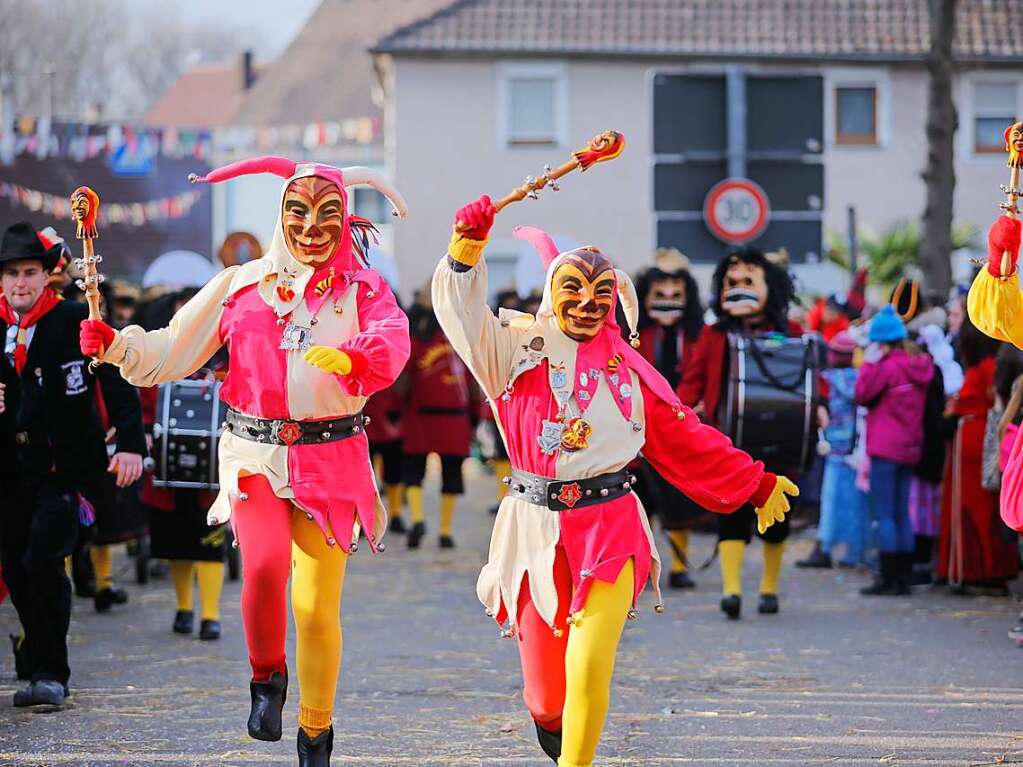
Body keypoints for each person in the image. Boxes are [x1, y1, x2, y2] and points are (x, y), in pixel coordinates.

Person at [433, 195, 797, 767]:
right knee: (546, 695)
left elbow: (686, 438)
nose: (587, 303)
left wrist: (756, 483)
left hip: (610, 526)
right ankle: (555, 725)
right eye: (573, 289)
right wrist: (465, 251)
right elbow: (461, 314)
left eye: (602, 293)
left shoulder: (630, 372)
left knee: (591, 661)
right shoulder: (512, 350)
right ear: (553, 294)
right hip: (533, 529)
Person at [80, 156, 410, 766]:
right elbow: (170, 350)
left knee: (315, 607)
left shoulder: (363, 289)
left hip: (332, 457)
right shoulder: (241, 284)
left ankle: (317, 733)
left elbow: (392, 338)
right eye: (298, 212)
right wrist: (118, 344)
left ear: (345, 218)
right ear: (280, 216)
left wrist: (359, 358)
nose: (312, 226)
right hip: (255, 454)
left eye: (327, 213)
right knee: (261, 569)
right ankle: (267, 677)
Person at [0, 221, 144, 707]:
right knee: (15, 568)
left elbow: (119, 381)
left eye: (29, 273)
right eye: (11, 275)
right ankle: (35, 646)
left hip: (63, 468)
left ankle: (51, 672)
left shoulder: (75, 321)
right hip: (7, 470)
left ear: (46, 276)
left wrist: (130, 444)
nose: (20, 283)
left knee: (44, 560)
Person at [677, 248, 802, 618]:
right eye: (732, 282)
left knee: (779, 513)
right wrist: (677, 415)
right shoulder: (714, 335)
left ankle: (769, 588)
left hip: (782, 437)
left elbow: (810, 378)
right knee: (730, 510)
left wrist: (820, 408)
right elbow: (693, 381)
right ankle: (731, 591)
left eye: (749, 281)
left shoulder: (790, 332)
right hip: (729, 438)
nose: (738, 288)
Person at [631, 247, 705, 588]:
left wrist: (681, 410)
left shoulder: (698, 337)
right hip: (635, 428)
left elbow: (698, 377)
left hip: (679, 425)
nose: (669, 299)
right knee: (638, 501)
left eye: (677, 293)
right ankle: (641, 564)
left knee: (679, 501)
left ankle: (678, 566)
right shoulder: (631, 336)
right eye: (660, 293)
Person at [855, 305, 934, 596]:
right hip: (911, 447)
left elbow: (862, 395)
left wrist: (868, 365)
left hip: (885, 449)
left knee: (885, 513)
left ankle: (888, 577)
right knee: (903, 512)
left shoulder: (884, 367)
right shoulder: (918, 366)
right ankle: (904, 576)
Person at [937, 314, 1018, 592]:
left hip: (972, 441)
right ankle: (988, 568)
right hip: (977, 437)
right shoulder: (990, 364)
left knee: (974, 510)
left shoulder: (982, 368)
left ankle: (976, 570)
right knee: (985, 510)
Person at [399, 285, 479, 549]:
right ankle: (445, 531)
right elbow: (473, 385)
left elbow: (403, 382)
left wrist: (400, 409)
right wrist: (475, 418)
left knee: (413, 471)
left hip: (420, 416)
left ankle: (419, 519)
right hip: (454, 419)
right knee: (451, 474)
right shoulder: (461, 339)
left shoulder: (414, 340)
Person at [798, 331, 867, 568]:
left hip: (832, 449)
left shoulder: (826, 380)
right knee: (853, 503)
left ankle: (825, 547)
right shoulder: (860, 380)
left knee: (830, 501)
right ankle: (851, 552)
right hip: (854, 449)